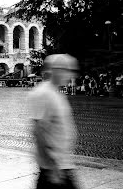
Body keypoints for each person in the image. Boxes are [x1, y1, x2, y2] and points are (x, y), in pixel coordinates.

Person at [28, 54, 79, 189]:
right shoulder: (43, 94)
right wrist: (53, 167)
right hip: (54, 168)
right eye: (68, 71)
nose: (70, 75)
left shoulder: (55, 93)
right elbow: (38, 132)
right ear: (57, 70)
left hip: (62, 164)